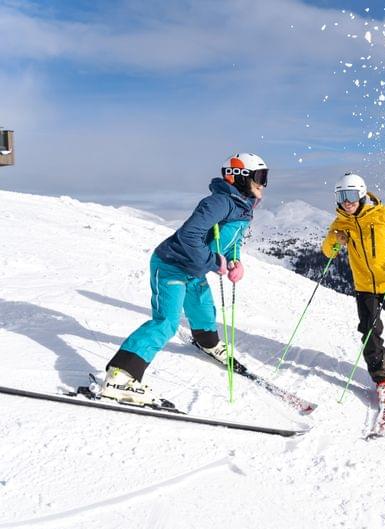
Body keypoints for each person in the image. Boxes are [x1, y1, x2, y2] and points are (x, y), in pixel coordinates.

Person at [92, 153, 269, 405]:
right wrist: (213, 261)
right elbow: (189, 236)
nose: (263, 183)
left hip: (193, 269)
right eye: (259, 177)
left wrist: (234, 259)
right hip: (171, 265)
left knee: (204, 309)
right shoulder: (219, 202)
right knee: (167, 322)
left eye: (265, 177)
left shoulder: (242, 206)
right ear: (240, 177)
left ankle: (208, 343)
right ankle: (120, 376)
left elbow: (233, 238)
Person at [321, 173, 385, 409]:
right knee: (370, 333)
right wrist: (334, 239)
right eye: (341, 196)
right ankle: (382, 379)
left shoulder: (383, 214)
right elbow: (329, 252)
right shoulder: (340, 223)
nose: (347, 202)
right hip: (366, 288)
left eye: (351, 195)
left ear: (362, 194)